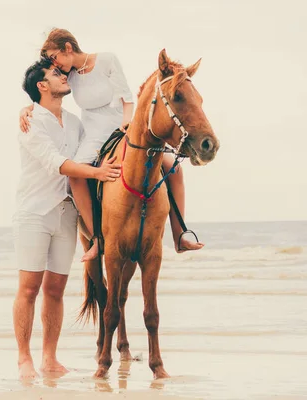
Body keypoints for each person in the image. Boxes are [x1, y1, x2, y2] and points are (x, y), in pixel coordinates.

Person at [19, 28, 204, 256]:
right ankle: (97, 238)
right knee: (75, 176)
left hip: (123, 125)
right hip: (93, 134)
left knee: (172, 167)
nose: (53, 63)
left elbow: (127, 98)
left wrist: (126, 123)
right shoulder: (69, 76)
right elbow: (47, 94)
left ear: (67, 48)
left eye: (53, 56)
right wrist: (28, 108)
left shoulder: (107, 60)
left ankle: (180, 234)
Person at [13, 58, 121, 380]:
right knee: (29, 288)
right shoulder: (32, 123)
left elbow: (97, 141)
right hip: (34, 212)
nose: (64, 77)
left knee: (56, 289)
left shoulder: (74, 122)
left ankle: (49, 358)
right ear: (42, 86)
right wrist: (96, 172)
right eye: (57, 74)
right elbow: (58, 163)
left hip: (66, 213)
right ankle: (24, 359)